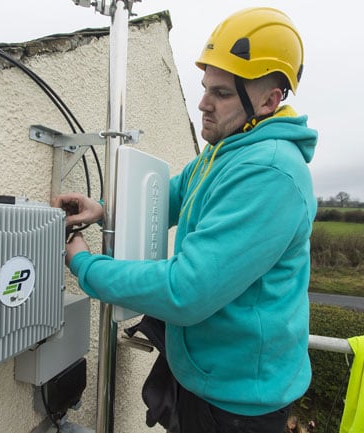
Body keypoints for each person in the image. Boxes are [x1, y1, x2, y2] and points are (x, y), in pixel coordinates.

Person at [53, 7, 318, 433]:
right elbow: (172, 195)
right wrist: (102, 208)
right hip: (206, 378)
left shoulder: (270, 174)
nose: (203, 103)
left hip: (237, 407)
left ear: (269, 100)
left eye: (223, 93)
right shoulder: (227, 150)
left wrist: (85, 265)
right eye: (205, 88)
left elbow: (185, 291)